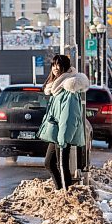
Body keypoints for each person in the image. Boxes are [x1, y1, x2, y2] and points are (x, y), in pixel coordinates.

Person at [37, 55, 90, 190]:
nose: (55, 68)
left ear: (65, 67)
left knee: (62, 164)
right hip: (56, 133)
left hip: (62, 134)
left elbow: (69, 117)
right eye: (53, 65)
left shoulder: (69, 89)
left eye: (58, 65)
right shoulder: (57, 88)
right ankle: (61, 190)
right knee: (49, 163)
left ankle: (66, 193)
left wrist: (63, 137)